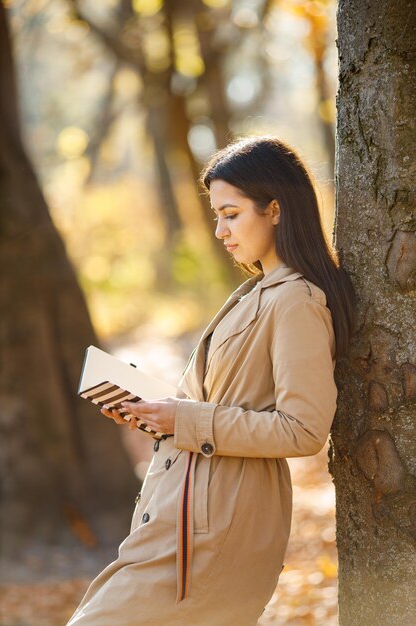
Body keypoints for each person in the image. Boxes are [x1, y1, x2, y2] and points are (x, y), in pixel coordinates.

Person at [66, 136, 356, 626]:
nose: (220, 230)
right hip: (179, 514)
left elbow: (304, 429)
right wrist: (153, 411)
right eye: (217, 215)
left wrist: (185, 418)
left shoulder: (297, 302)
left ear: (276, 210)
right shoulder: (257, 293)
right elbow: (215, 407)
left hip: (218, 523)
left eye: (232, 213)